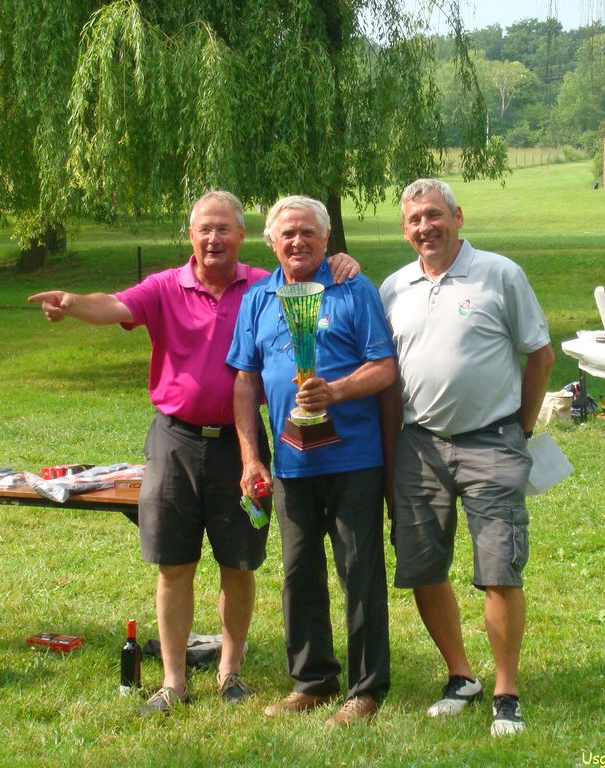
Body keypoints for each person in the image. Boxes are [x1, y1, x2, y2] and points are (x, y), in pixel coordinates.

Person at [28, 191, 358, 717]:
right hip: (175, 441)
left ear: (242, 236)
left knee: (239, 562)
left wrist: (341, 262)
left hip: (240, 443)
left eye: (224, 228)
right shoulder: (165, 286)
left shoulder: (263, 286)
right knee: (174, 563)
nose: (214, 238)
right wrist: (71, 303)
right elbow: (115, 305)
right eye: (205, 229)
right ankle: (174, 680)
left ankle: (230, 671)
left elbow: (312, 279)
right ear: (191, 235)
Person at [379, 178, 555, 737]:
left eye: (434, 215)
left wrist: (521, 429)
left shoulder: (500, 274)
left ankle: (506, 691)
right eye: (414, 220)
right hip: (419, 446)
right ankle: (461, 676)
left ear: (458, 217)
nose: (425, 227)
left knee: (500, 567)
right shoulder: (393, 288)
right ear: (405, 229)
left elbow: (540, 355)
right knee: (422, 565)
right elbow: (386, 375)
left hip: (492, 440)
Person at [227, 195, 396, 727]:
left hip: (353, 459)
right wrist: (251, 457)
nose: (298, 242)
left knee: (358, 571)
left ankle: (365, 689)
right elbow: (245, 380)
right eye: (288, 234)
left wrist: (336, 391)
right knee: (299, 572)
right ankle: (313, 681)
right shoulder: (258, 298)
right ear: (271, 243)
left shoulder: (353, 288)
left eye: (308, 233)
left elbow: (384, 367)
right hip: (290, 464)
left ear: (326, 239)